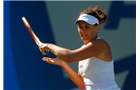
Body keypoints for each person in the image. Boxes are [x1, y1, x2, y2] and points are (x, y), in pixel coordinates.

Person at [39, 6, 120, 90]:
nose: (83, 30)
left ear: (97, 28)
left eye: (87, 27)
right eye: (80, 26)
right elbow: (82, 84)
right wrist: (63, 64)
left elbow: (69, 57)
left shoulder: (100, 44)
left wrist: (49, 46)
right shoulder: (83, 50)